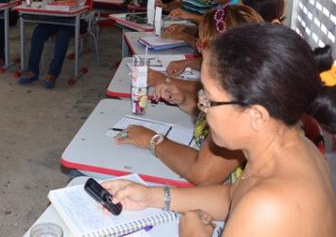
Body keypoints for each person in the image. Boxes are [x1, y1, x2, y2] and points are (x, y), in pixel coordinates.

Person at [103, 24, 336, 236]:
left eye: (209, 99)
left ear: (256, 116)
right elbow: (231, 196)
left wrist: (193, 234)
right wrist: (151, 195)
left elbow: (249, 203)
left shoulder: (268, 207)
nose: (202, 108)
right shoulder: (291, 146)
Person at [118, 5, 264, 186]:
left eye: (202, 44)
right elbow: (211, 120)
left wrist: (151, 139)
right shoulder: (236, 87)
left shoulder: (244, 106)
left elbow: (203, 174)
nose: (199, 50)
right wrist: (184, 100)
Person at [18, 0, 89, 89]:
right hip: (54, 17)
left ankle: (52, 73)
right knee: (38, 32)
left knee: (62, 35)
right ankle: (32, 70)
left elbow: (78, 1)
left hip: (75, 20)